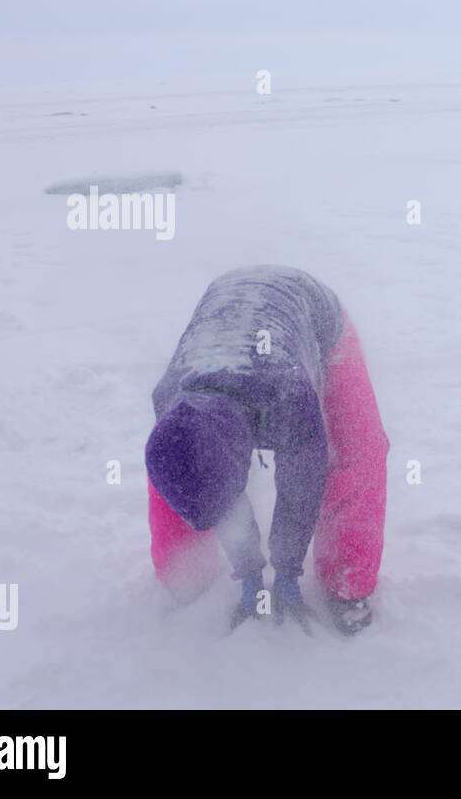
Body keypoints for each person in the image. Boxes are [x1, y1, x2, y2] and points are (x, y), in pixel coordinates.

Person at [144, 265, 389, 636]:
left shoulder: (287, 394)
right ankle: (186, 574)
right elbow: (213, 487)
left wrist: (286, 571)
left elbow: (300, 489)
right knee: (177, 467)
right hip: (225, 311)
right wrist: (249, 573)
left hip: (312, 310)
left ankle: (348, 582)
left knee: (356, 452)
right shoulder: (169, 397)